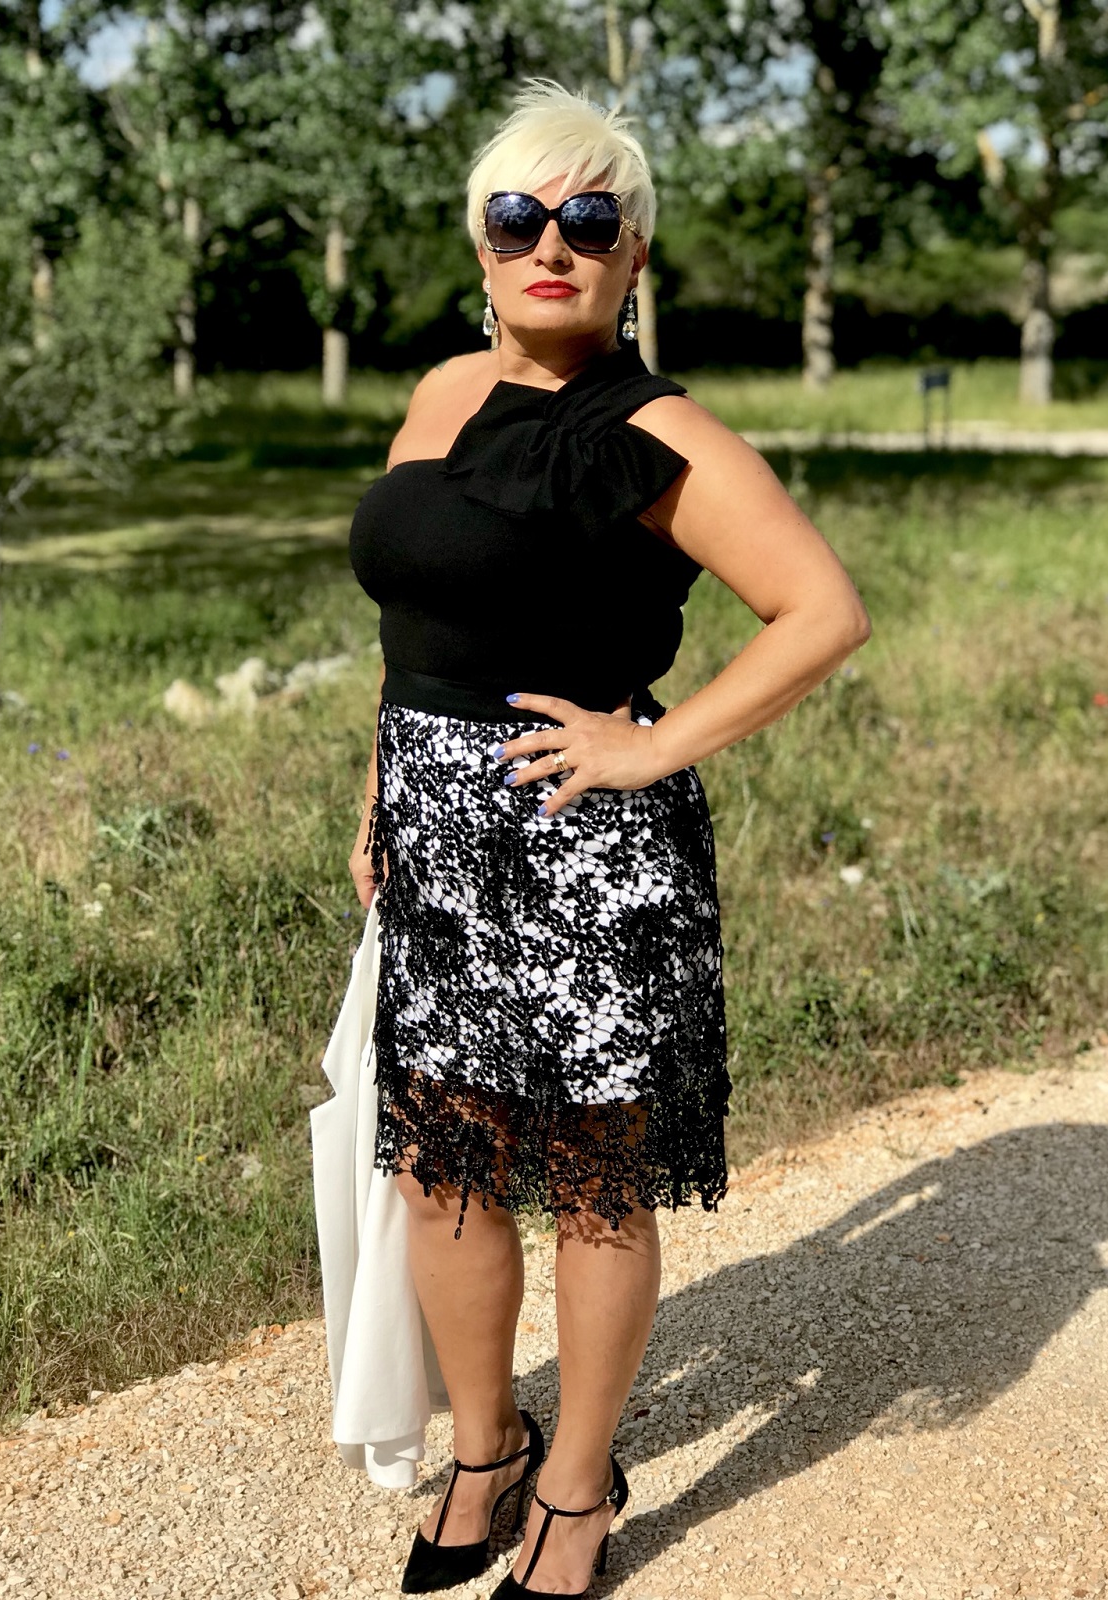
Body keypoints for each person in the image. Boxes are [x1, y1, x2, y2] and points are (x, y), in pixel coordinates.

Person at [346, 78, 870, 1600]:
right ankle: (486, 1449)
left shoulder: (655, 432)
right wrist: (378, 783)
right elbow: (415, 619)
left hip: (590, 848)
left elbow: (822, 612)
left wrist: (651, 744)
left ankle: (578, 1486)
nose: (551, 247)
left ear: (634, 253)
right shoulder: (441, 392)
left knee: (590, 1178)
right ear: (482, 240)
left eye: (590, 220)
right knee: (442, 1163)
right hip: (436, 832)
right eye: (520, 217)